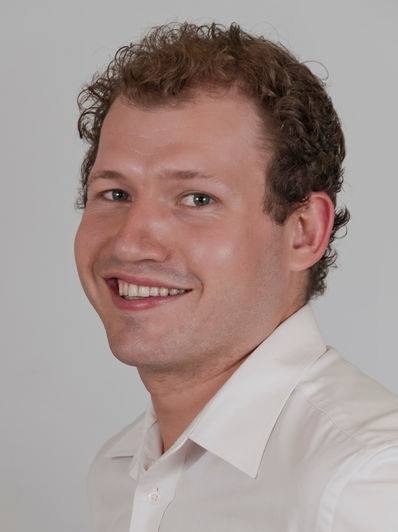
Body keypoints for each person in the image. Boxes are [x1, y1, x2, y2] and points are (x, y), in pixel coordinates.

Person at [73, 22, 398, 532]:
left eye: (198, 199)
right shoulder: (117, 475)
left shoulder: (368, 483)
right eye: (114, 193)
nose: (131, 241)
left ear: (304, 232)